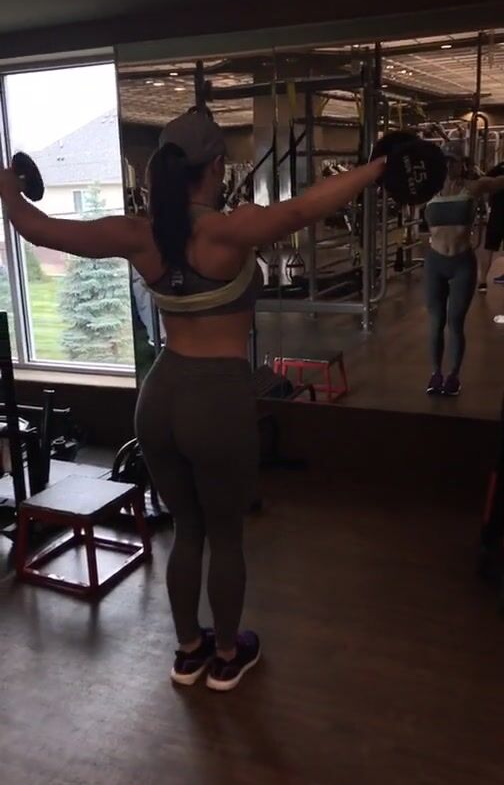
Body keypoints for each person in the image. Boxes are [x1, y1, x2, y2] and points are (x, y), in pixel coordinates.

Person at [0, 108, 385, 691]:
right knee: (225, 537)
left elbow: (39, 229)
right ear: (216, 167)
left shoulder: (140, 234)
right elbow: (305, 207)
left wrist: (9, 189)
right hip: (217, 401)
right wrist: (378, 167)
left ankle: (187, 652)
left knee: (187, 530)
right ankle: (227, 655)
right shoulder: (230, 230)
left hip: (159, 398)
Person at [424, 141, 504, 397]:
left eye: (453, 161)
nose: (448, 166)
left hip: (461, 263)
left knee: (455, 323)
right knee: (436, 322)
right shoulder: (428, 190)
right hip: (435, 262)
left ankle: (454, 376)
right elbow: (396, 185)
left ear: (462, 164)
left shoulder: (473, 187)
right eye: (445, 161)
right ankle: (435, 373)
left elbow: (499, 182)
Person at [477, 160, 504, 292]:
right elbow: (483, 181)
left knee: (489, 247)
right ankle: (482, 280)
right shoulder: (500, 167)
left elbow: (484, 181)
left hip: (497, 214)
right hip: (497, 213)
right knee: (488, 247)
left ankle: (482, 281)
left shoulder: (500, 167)